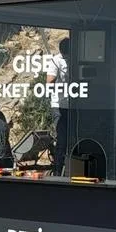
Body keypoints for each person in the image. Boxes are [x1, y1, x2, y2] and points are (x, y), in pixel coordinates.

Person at [46, 37, 71, 173]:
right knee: (62, 139)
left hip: (73, 104)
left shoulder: (76, 59)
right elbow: (49, 82)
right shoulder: (56, 60)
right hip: (59, 105)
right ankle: (58, 170)